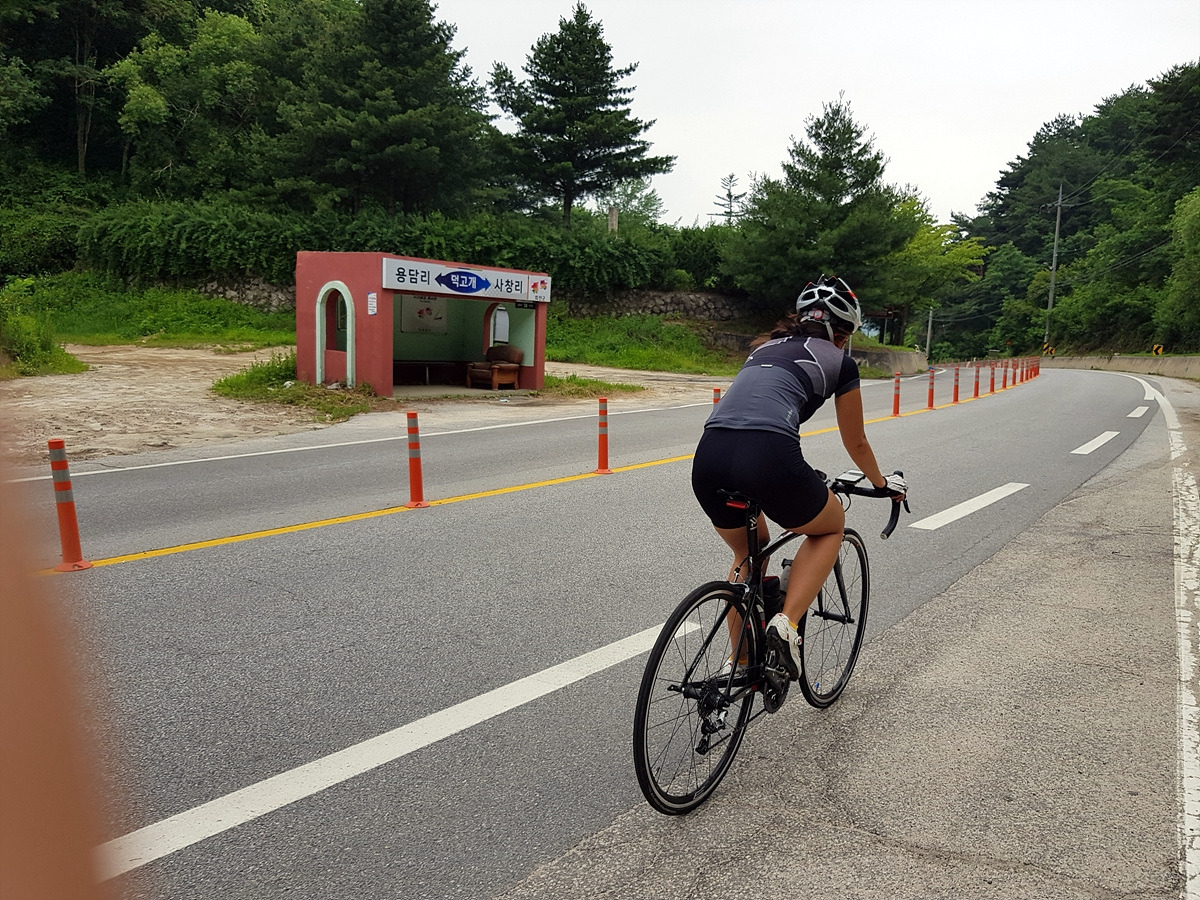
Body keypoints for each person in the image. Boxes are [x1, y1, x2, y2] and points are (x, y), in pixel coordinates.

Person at [690, 275, 906, 679]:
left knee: (749, 554)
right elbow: (856, 441)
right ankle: (786, 625)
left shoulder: (761, 349)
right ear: (843, 334)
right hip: (768, 454)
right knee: (831, 526)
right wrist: (881, 484)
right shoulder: (840, 362)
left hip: (709, 455)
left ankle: (740, 665)